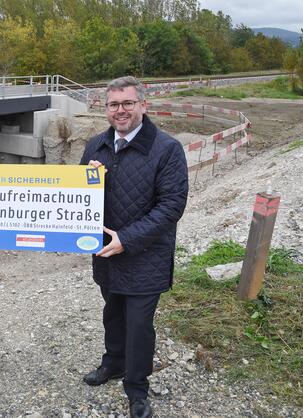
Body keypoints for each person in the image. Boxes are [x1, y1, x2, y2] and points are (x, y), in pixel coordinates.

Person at [79, 76, 188, 418]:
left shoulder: (167, 149)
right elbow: (78, 199)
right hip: (106, 254)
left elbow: (171, 206)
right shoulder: (95, 146)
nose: (120, 110)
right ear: (106, 108)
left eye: (128, 103)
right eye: (114, 104)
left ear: (143, 105)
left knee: (139, 324)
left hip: (144, 256)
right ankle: (113, 363)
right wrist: (88, 179)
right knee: (112, 313)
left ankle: (137, 388)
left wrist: (126, 239)